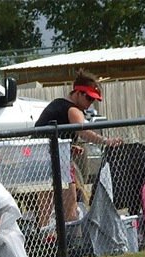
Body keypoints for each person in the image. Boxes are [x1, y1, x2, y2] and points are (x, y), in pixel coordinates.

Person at [34, 70, 124, 229]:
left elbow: (56, 134)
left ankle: (45, 234)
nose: (90, 103)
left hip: (41, 158)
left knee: (46, 203)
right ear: (77, 92)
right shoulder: (72, 109)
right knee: (69, 202)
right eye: (88, 97)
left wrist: (70, 146)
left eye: (93, 100)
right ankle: (70, 238)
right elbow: (83, 132)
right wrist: (106, 141)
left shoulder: (58, 104)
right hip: (50, 159)